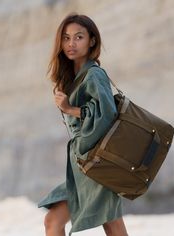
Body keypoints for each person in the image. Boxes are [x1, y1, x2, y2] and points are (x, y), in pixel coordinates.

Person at [38, 13, 128, 236]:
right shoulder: (73, 77)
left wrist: (70, 108)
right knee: (53, 221)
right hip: (81, 165)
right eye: (66, 38)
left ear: (92, 40)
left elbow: (107, 115)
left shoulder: (94, 75)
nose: (71, 43)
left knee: (112, 225)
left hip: (97, 163)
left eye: (78, 37)